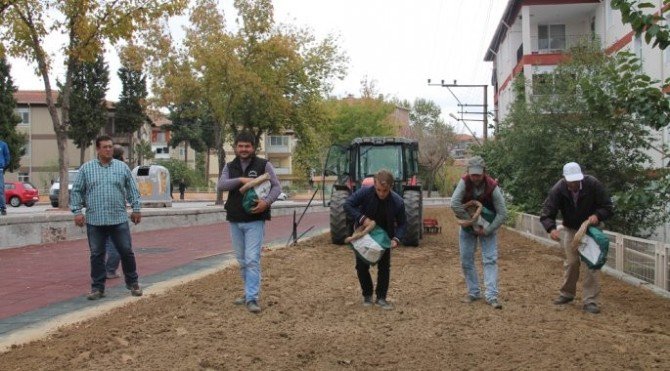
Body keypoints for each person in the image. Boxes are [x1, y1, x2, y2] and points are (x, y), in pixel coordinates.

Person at [71, 135, 143, 300]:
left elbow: (132, 190)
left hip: (118, 219)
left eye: (110, 147)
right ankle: (98, 288)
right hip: (95, 221)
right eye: (105, 147)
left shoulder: (122, 168)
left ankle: (133, 283)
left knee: (126, 251)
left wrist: (136, 208)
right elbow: (76, 191)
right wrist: (77, 212)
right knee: (96, 254)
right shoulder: (86, 169)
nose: (108, 149)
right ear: (97, 149)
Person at [217, 131, 282, 313]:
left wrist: (266, 202)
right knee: (242, 259)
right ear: (236, 147)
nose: (244, 149)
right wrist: (241, 180)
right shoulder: (230, 166)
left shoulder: (264, 165)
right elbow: (221, 185)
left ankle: (252, 298)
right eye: (240, 146)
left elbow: (276, 187)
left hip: (255, 219)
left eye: (247, 146)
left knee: (252, 259)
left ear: (253, 147)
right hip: (235, 218)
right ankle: (247, 293)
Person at [540, 162, 613, 314]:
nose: (573, 183)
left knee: (591, 265)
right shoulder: (558, 189)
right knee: (572, 263)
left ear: (581, 177)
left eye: (576, 180)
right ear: (565, 178)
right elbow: (547, 211)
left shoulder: (593, 184)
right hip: (571, 229)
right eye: (570, 181)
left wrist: (597, 215)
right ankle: (567, 293)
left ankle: (590, 301)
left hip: (591, 229)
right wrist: (551, 228)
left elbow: (607, 207)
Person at [343, 169, 407, 310]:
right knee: (361, 266)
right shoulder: (365, 192)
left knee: (384, 268)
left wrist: (396, 239)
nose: (381, 193)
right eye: (378, 190)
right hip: (364, 235)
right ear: (374, 184)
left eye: (385, 190)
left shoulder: (398, 202)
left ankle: (381, 298)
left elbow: (402, 224)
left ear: (391, 186)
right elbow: (347, 204)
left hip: (384, 238)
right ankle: (367, 295)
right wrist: (362, 219)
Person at [451, 156, 507, 309]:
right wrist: (471, 221)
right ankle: (474, 292)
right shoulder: (464, 182)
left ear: (484, 172)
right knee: (466, 259)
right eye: (472, 174)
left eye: (478, 174)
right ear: (468, 172)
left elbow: (502, 213)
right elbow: (454, 204)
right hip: (468, 227)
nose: (475, 177)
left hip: (488, 226)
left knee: (490, 259)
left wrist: (487, 229)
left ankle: (491, 296)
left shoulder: (492, 187)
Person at [104, 145, 126, 279]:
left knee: (104, 244)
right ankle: (110, 270)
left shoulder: (102, 167)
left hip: (100, 213)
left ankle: (104, 269)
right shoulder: (121, 169)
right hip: (115, 212)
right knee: (117, 243)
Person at [0, 139, 9, 216]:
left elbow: (7, 157)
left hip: (0, 169)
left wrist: (3, 166)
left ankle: (3, 208)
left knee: (0, 189)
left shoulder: (3, 144)